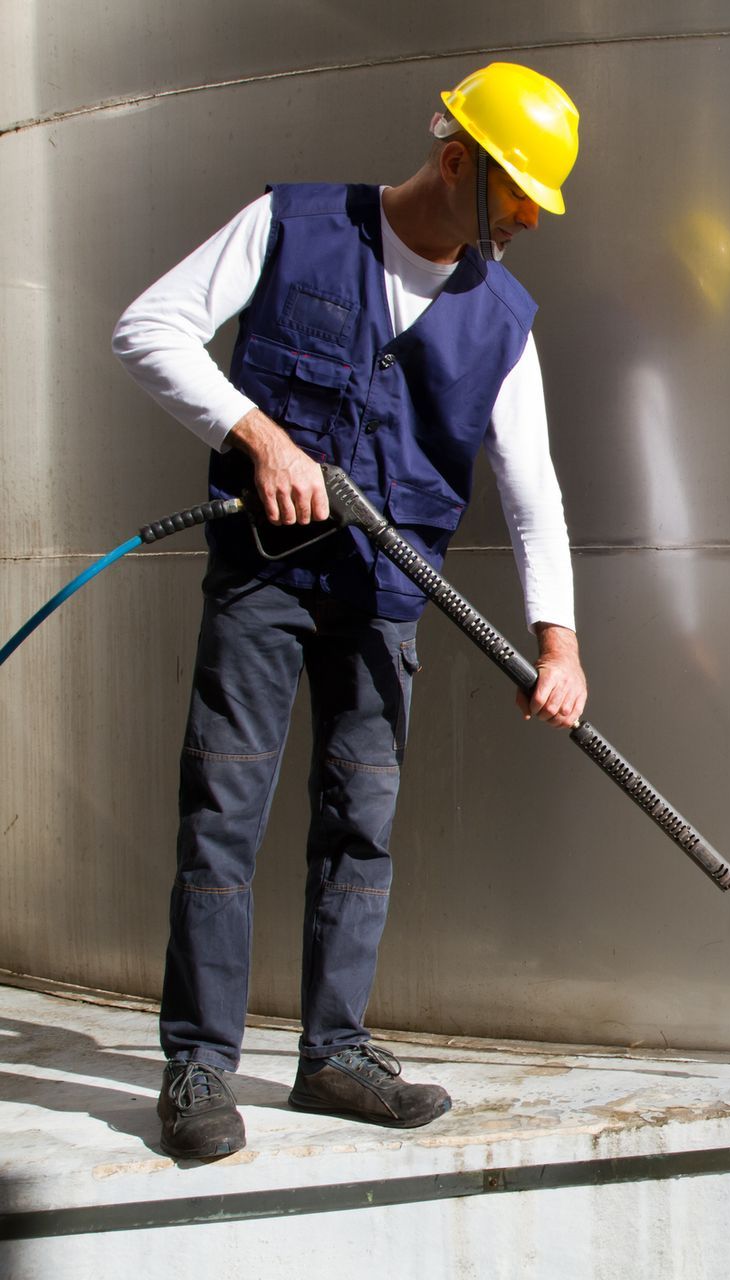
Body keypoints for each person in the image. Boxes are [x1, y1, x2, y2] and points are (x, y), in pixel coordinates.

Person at [112, 62, 588, 1161]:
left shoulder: (504, 316)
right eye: (515, 192)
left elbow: (534, 494)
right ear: (457, 158)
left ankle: (333, 1055)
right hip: (265, 579)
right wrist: (259, 434)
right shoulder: (293, 223)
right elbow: (150, 327)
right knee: (222, 812)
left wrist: (557, 643)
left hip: (385, 601)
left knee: (359, 826)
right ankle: (199, 1064)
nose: (523, 221)